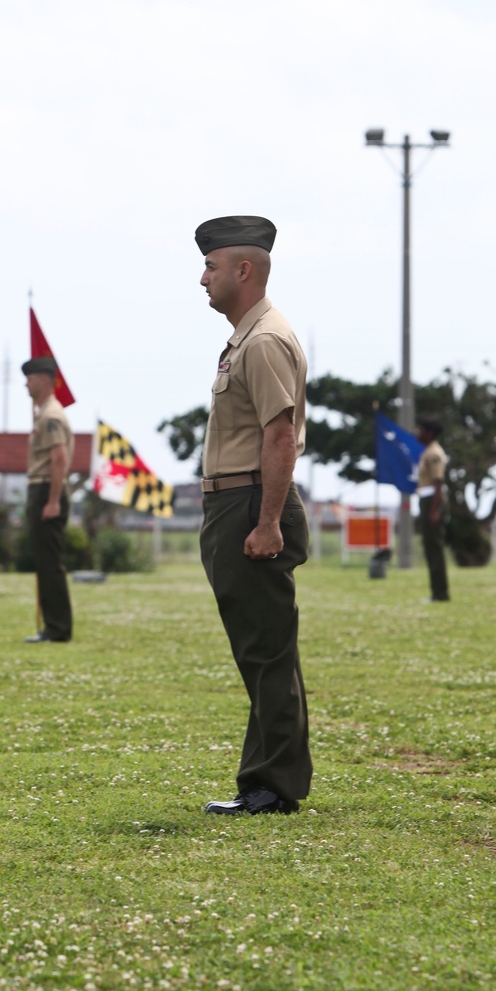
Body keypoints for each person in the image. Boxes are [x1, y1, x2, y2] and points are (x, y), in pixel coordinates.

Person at [194, 214, 312, 816]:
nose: (202, 278)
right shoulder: (248, 336)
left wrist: (266, 522)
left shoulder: (263, 339)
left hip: (251, 502)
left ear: (244, 269)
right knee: (260, 649)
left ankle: (275, 784)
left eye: (211, 266)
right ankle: (264, 777)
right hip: (236, 501)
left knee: (266, 650)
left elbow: (279, 435)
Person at [22, 355, 74, 643]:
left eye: (30, 378)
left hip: (46, 489)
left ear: (44, 379)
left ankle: (57, 628)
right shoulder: (44, 412)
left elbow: (59, 459)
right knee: (45, 562)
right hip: (42, 489)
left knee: (50, 563)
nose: (26, 384)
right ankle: (55, 626)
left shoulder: (51, 415)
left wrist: (52, 501)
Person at [416, 415, 450, 602]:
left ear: (429, 433)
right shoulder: (428, 451)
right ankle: (437, 591)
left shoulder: (434, 453)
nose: (417, 433)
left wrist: (434, 511)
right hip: (427, 499)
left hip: (432, 501)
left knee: (434, 548)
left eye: (420, 429)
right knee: (430, 548)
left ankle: (440, 593)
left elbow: (438, 483)